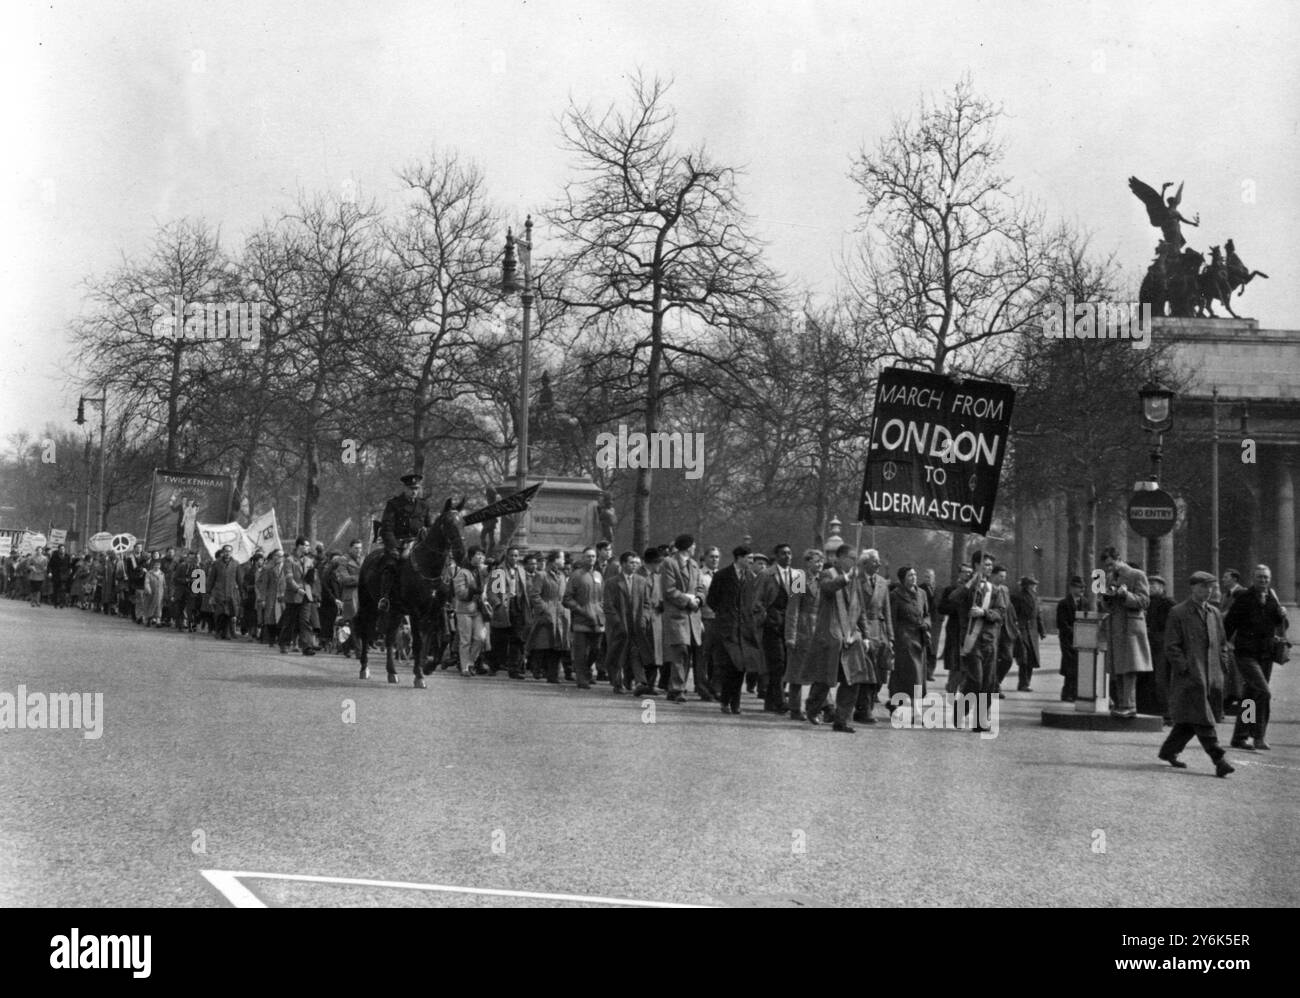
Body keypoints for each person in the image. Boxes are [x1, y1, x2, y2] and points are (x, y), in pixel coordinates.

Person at [1158, 571, 1234, 777]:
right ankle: (1219, 759)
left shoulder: (1214, 613)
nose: (1207, 591)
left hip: (1212, 677)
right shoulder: (1178, 612)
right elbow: (1171, 646)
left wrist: (1223, 665)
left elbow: (1222, 643)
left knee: (1190, 720)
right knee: (1203, 719)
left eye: (1210, 587)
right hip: (1191, 678)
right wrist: (1185, 669)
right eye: (1203, 587)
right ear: (1192, 588)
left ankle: (1168, 751)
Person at [805, 545, 872, 733]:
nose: (854, 562)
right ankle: (809, 707)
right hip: (826, 634)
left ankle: (841, 719)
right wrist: (846, 578)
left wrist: (866, 635)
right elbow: (822, 591)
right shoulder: (820, 575)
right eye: (851, 558)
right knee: (823, 679)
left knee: (851, 679)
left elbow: (860, 610)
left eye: (855, 558)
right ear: (839, 558)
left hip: (848, 636)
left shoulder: (854, 579)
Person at [1224, 564, 1287, 751]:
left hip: (1266, 654)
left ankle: (1239, 737)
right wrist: (1225, 644)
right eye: (1260, 577)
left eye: (1266, 578)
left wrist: (1282, 614)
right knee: (1264, 692)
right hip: (1246, 654)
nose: (1263, 581)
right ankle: (1258, 736)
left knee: (1250, 696)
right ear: (1253, 579)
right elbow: (1229, 623)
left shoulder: (1271, 598)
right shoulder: (1244, 598)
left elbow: (1278, 624)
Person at [706, 546, 764, 715]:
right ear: (739, 558)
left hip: (744, 629)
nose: (751, 562)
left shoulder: (750, 578)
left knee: (741, 667)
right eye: (749, 558)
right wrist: (724, 614)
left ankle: (735, 702)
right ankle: (726, 700)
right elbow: (712, 599)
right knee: (730, 666)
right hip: (727, 629)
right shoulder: (722, 575)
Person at [1099, 546, 1152, 718]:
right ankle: (1122, 703)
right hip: (1116, 627)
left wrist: (1125, 595)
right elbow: (1107, 606)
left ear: (1119, 559)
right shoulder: (1108, 578)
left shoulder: (1137, 575)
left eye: (1111, 564)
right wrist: (1106, 599)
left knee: (1129, 667)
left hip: (1130, 629)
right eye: (1106, 566)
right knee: (1117, 668)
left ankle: (1130, 705)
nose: (1109, 569)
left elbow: (1144, 601)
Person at [955, 550, 1004, 732]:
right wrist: (970, 582)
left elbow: (1001, 613)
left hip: (989, 641)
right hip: (971, 640)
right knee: (976, 680)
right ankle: (961, 710)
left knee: (988, 683)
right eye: (985, 564)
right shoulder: (967, 587)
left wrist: (984, 613)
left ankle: (980, 721)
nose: (989, 568)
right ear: (976, 566)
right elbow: (953, 599)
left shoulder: (995, 590)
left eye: (991, 565)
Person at [603, 550, 656, 695]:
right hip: (619, 626)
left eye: (636, 563)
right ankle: (618, 683)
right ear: (623, 564)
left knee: (635, 653)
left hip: (636, 626)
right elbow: (608, 606)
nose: (634, 565)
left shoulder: (641, 581)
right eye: (631, 562)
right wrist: (617, 622)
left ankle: (640, 682)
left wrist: (644, 619)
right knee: (618, 654)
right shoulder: (612, 582)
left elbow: (646, 603)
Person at [378, 472, 433, 610]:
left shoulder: (424, 505)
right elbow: (387, 528)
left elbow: (429, 525)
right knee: (391, 565)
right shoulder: (394, 504)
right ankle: (385, 597)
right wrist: (393, 547)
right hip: (400, 543)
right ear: (405, 489)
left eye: (416, 489)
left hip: (419, 544)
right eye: (411, 489)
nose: (414, 492)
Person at [661, 534, 705, 704]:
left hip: (692, 616)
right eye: (693, 546)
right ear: (687, 547)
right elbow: (669, 590)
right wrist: (688, 600)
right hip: (677, 615)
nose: (694, 549)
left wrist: (699, 599)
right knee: (680, 650)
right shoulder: (669, 563)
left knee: (687, 652)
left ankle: (676, 687)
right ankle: (678, 688)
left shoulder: (694, 565)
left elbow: (701, 587)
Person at [854, 549, 892, 724]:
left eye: (878, 561)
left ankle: (866, 706)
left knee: (878, 672)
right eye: (874, 561)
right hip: (860, 629)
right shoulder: (855, 580)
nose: (878, 564)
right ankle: (863, 709)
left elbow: (887, 611)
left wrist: (890, 636)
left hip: (878, 631)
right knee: (864, 671)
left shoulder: (882, 583)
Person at [756, 543, 795, 712]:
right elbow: (757, 599)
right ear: (776, 556)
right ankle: (779, 702)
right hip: (772, 623)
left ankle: (770, 701)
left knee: (786, 663)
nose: (787, 556)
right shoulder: (766, 574)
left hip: (790, 623)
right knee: (777, 662)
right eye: (783, 553)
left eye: (789, 553)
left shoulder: (797, 575)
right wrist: (764, 617)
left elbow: (797, 601)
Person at [783, 549, 821, 720]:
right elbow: (793, 608)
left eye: (821, 562)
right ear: (807, 562)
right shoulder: (799, 578)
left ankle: (817, 707)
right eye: (815, 561)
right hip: (802, 629)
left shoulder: (823, 581)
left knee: (817, 672)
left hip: (818, 630)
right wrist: (791, 635)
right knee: (796, 672)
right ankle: (795, 708)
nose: (819, 565)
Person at [563, 546, 605, 690]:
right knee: (581, 651)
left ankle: (586, 670)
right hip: (581, 619)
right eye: (588, 556)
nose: (591, 559)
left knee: (596, 649)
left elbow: (602, 597)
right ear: (582, 558)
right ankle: (582, 678)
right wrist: (580, 609)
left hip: (597, 620)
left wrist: (601, 610)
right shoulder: (576, 575)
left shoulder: (599, 575)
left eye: (593, 556)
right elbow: (567, 598)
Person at [888, 565, 930, 708]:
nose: (914, 578)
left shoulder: (922, 594)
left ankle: (895, 703)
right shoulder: (895, 595)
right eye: (910, 575)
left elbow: (926, 615)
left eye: (915, 574)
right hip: (904, 640)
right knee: (913, 675)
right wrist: (892, 639)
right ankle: (915, 711)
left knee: (917, 676)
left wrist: (926, 624)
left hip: (920, 639)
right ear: (902, 579)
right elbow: (891, 619)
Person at [527, 550, 569, 684]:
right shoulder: (541, 575)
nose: (563, 562)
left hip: (559, 614)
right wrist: (545, 609)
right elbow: (534, 595)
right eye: (562, 559)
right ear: (554, 560)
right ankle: (536, 667)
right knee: (542, 644)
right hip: (545, 614)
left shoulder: (562, 576)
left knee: (557, 645)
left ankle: (553, 675)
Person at [487, 546, 529, 679]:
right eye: (511, 555)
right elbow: (492, 591)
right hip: (504, 607)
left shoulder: (521, 570)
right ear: (507, 556)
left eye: (516, 556)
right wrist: (497, 604)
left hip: (517, 606)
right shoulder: (499, 571)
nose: (514, 558)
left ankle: (514, 669)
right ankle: (493, 665)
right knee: (499, 638)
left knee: (517, 638)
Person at [1140, 575, 1176, 720]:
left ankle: (1168, 712)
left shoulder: (1168, 603)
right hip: (1150, 644)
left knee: (1161, 679)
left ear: (1162, 588)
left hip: (1162, 645)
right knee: (1151, 678)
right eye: (1149, 585)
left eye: (1154, 585)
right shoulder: (1148, 602)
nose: (1150, 587)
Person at [452, 546, 489, 677]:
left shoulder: (481, 570)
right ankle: (465, 667)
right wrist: (473, 591)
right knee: (465, 640)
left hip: (478, 609)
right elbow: (460, 593)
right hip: (464, 610)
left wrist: (494, 564)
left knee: (480, 637)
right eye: (478, 555)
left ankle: (471, 662)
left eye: (482, 555)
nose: (481, 557)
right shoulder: (462, 572)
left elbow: (492, 574)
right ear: (471, 557)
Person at [939, 565, 973, 693]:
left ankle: (961, 689)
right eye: (965, 572)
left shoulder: (974, 590)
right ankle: (952, 688)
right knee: (956, 662)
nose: (968, 575)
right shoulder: (950, 590)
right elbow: (941, 608)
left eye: (970, 573)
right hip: (955, 630)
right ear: (959, 574)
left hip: (970, 630)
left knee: (967, 662)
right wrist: (956, 604)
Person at [1010, 576, 1045, 692]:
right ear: (1027, 586)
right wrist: (1015, 628)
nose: (1035, 586)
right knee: (1023, 658)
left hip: (1033, 631)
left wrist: (1042, 631)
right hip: (1022, 630)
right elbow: (1012, 614)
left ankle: (1026, 683)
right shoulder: (1017, 597)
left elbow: (1038, 615)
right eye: (1032, 584)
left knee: (1031, 658)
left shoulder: (1036, 598)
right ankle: (1023, 683)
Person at [991, 564, 1019, 697]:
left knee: (1008, 659)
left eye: (1004, 577)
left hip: (1006, 630)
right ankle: (994, 687)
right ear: (993, 575)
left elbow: (1010, 608)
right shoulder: (988, 588)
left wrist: (1015, 624)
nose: (1003, 579)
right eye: (1000, 576)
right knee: (993, 660)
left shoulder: (1005, 590)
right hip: (993, 628)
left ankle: (996, 682)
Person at [1055, 576, 1085, 701]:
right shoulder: (1063, 603)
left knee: (1078, 665)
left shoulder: (1085, 602)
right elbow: (1061, 623)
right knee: (1070, 665)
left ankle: (1073, 692)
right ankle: (1067, 692)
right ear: (1072, 588)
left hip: (1082, 638)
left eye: (1083, 587)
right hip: (1067, 639)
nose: (1082, 590)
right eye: (1079, 587)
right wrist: (1073, 632)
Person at [920, 568, 939, 682]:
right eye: (926, 576)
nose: (928, 578)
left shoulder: (938, 589)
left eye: (930, 576)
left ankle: (931, 672)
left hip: (936, 622)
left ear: (934, 577)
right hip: (926, 621)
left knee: (934, 648)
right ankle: (925, 672)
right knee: (927, 646)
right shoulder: (920, 588)